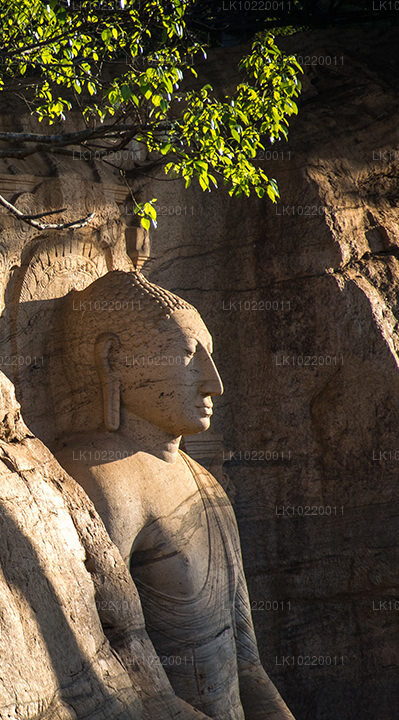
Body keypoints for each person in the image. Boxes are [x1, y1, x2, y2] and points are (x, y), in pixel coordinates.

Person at [55, 270, 295, 720]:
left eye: (210, 355)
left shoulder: (206, 484)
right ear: (113, 360)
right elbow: (118, 665)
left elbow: (248, 663)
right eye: (187, 355)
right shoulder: (103, 478)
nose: (213, 383)